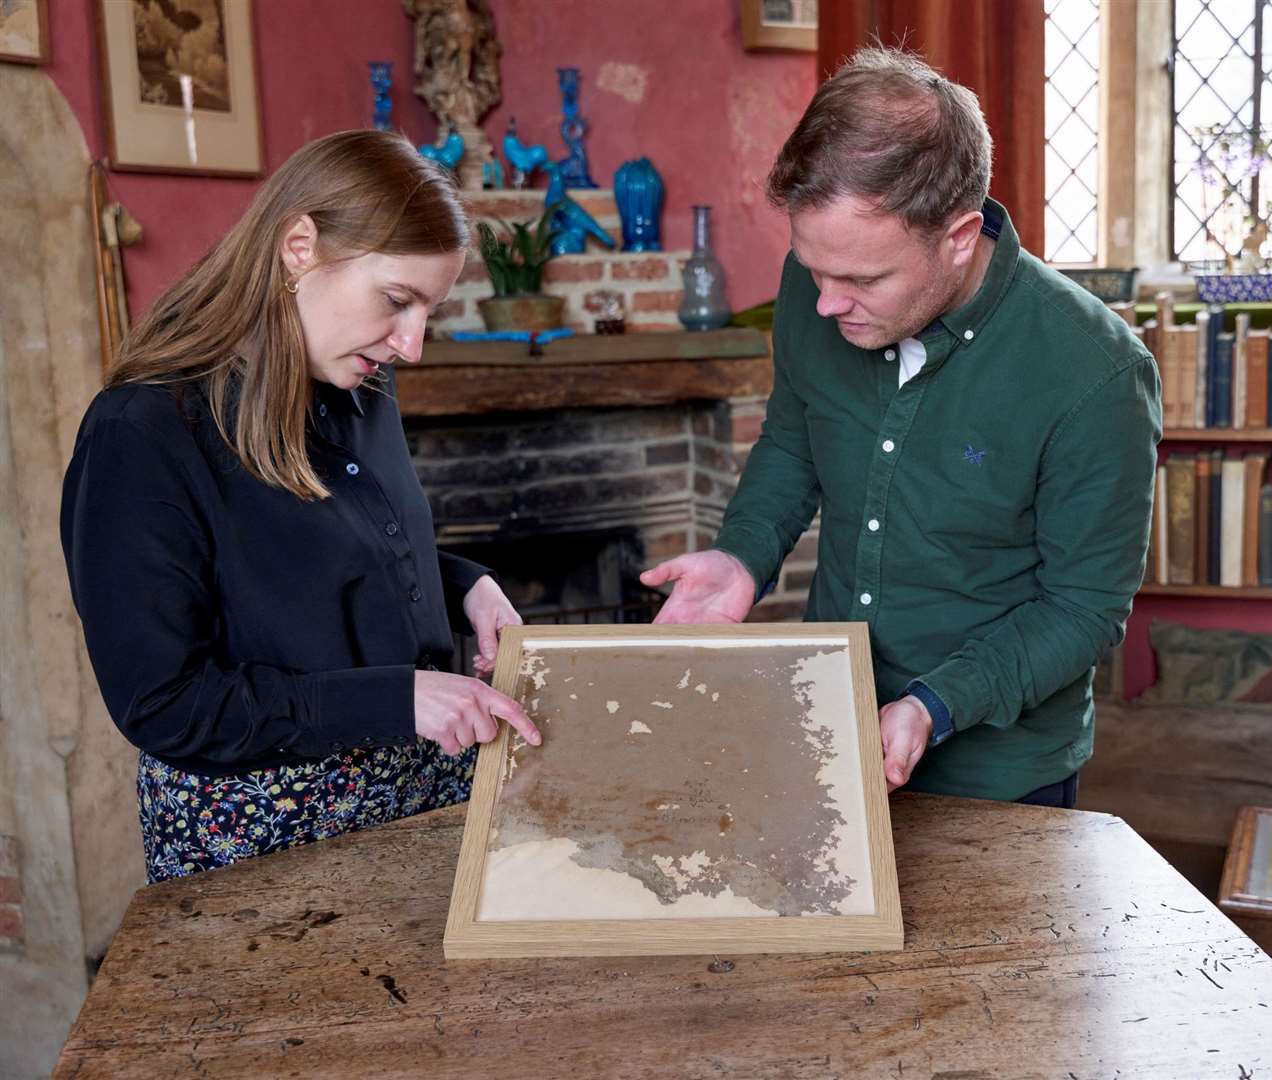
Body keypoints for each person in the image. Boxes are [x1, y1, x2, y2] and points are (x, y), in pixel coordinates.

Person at [640, 48, 1161, 808]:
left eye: (860, 280)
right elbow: (793, 433)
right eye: (812, 268)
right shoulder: (823, 277)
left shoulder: (1099, 372)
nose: (825, 302)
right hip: (826, 719)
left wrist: (933, 704)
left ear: (957, 236)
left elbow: (1083, 607)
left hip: (999, 776)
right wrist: (742, 556)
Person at [60, 130, 540, 884]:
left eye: (428, 313)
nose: (412, 345)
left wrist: (464, 583)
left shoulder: (359, 385)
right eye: (396, 301)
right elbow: (164, 704)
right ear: (299, 246)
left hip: (415, 793)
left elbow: (311, 557)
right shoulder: (142, 433)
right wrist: (399, 698)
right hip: (261, 836)